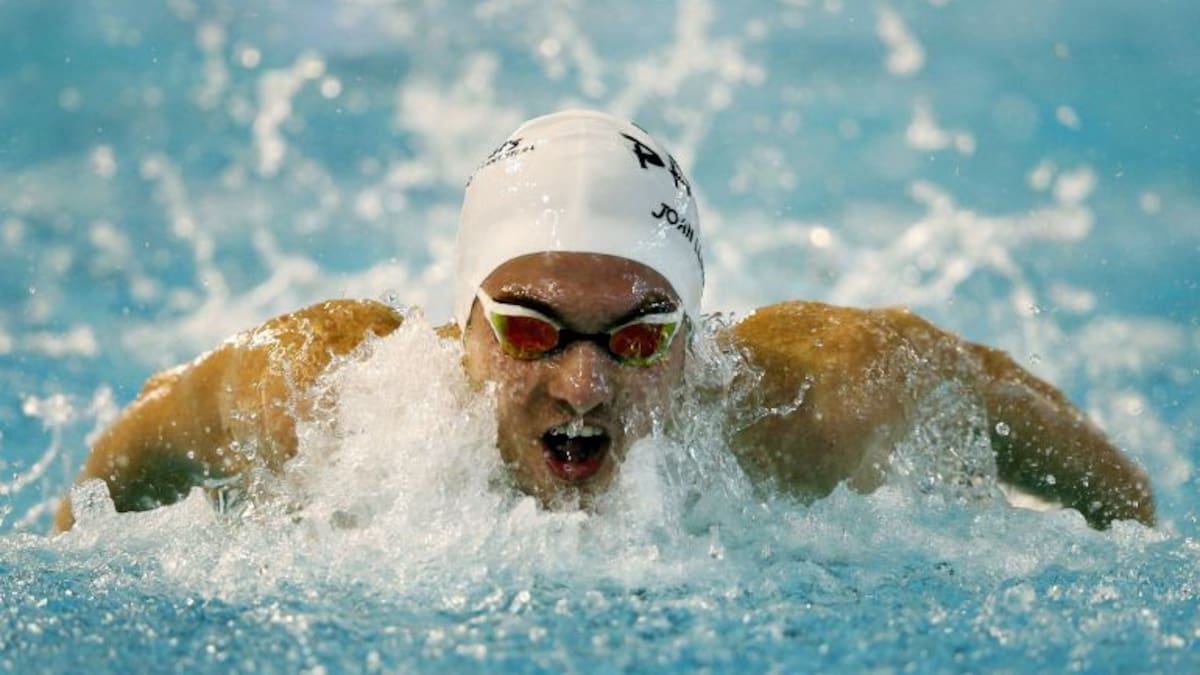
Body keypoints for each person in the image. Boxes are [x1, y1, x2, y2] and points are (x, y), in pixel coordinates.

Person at [53, 110, 1155, 533]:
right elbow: (85, 518)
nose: (584, 388)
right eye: (532, 330)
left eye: (639, 339)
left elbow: (1124, 503)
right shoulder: (307, 392)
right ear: (464, 327)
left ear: (696, 333)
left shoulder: (834, 392)